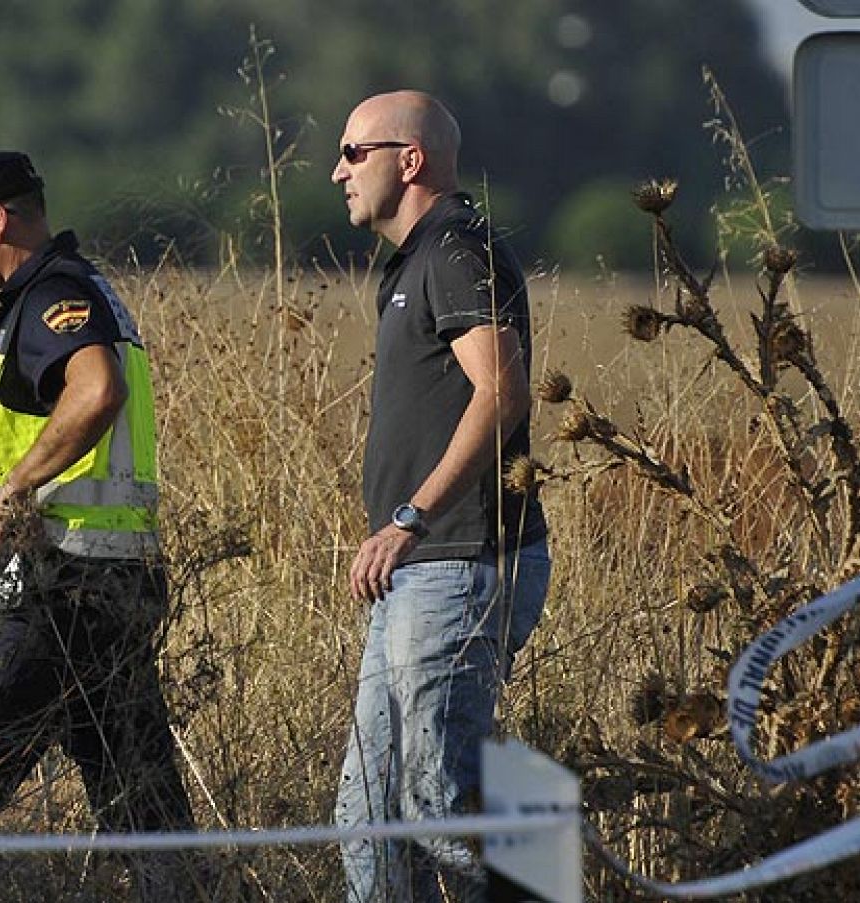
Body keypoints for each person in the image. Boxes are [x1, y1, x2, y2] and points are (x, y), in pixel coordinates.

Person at [0, 151, 196, 900]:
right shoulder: (83, 290)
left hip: (57, 588)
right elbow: (25, 467)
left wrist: (21, 486)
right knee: (143, 804)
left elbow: (96, 393)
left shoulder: (52, 297)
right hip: (114, 582)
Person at [328, 92, 553, 902]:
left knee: (439, 802)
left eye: (354, 153)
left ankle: (545, 874)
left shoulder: (457, 251)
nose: (337, 171)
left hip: (459, 560)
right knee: (368, 810)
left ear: (409, 160)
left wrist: (408, 518)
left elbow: (503, 393)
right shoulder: (419, 258)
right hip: (418, 570)